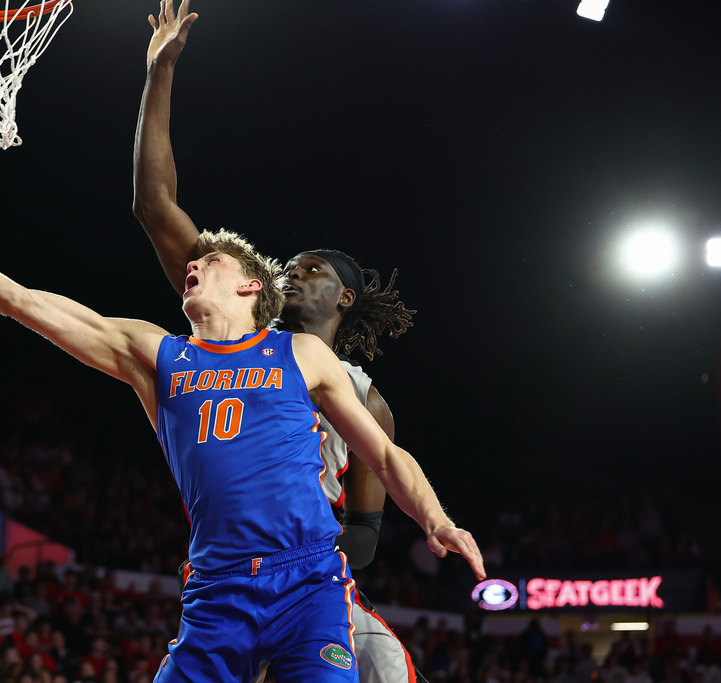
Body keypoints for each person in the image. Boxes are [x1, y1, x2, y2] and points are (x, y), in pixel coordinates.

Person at [0, 195, 484, 682]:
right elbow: (19, 300)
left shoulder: (303, 353)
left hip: (308, 583)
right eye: (191, 264)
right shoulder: (155, 354)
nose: (193, 266)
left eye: (210, 261)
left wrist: (437, 518)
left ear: (250, 284)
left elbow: (386, 454)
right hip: (217, 591)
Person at [132, 2, 442, 681]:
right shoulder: (237, 325)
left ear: (346, 296)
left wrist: (299, 576)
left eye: (313, 269)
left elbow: (362, 534)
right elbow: (155, 205)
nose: (291, 273)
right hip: (225, 569)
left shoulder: (365, 396)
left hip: (314, 582)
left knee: (389, 666)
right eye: (286, 267)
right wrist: (161, 74)